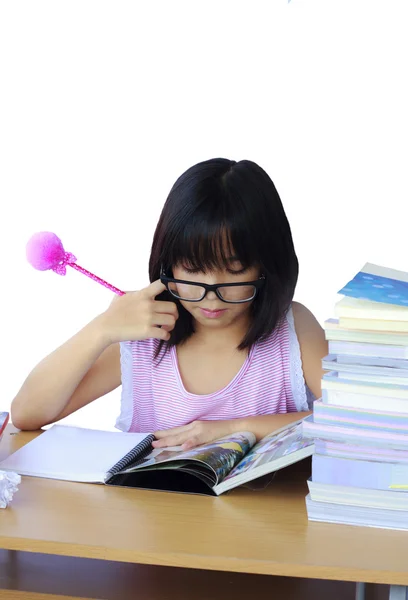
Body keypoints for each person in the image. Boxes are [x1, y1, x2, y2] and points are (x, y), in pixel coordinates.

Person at [11, 158, 328, 450]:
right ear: (168, 264)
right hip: (155, 511)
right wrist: (101, 329)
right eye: (192, 269)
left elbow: (359, 424)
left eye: (234, 269)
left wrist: (238, 428)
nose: (212, 292)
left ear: (266, 264)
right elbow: (27, 414)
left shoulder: (293, 329)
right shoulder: (144, 334)